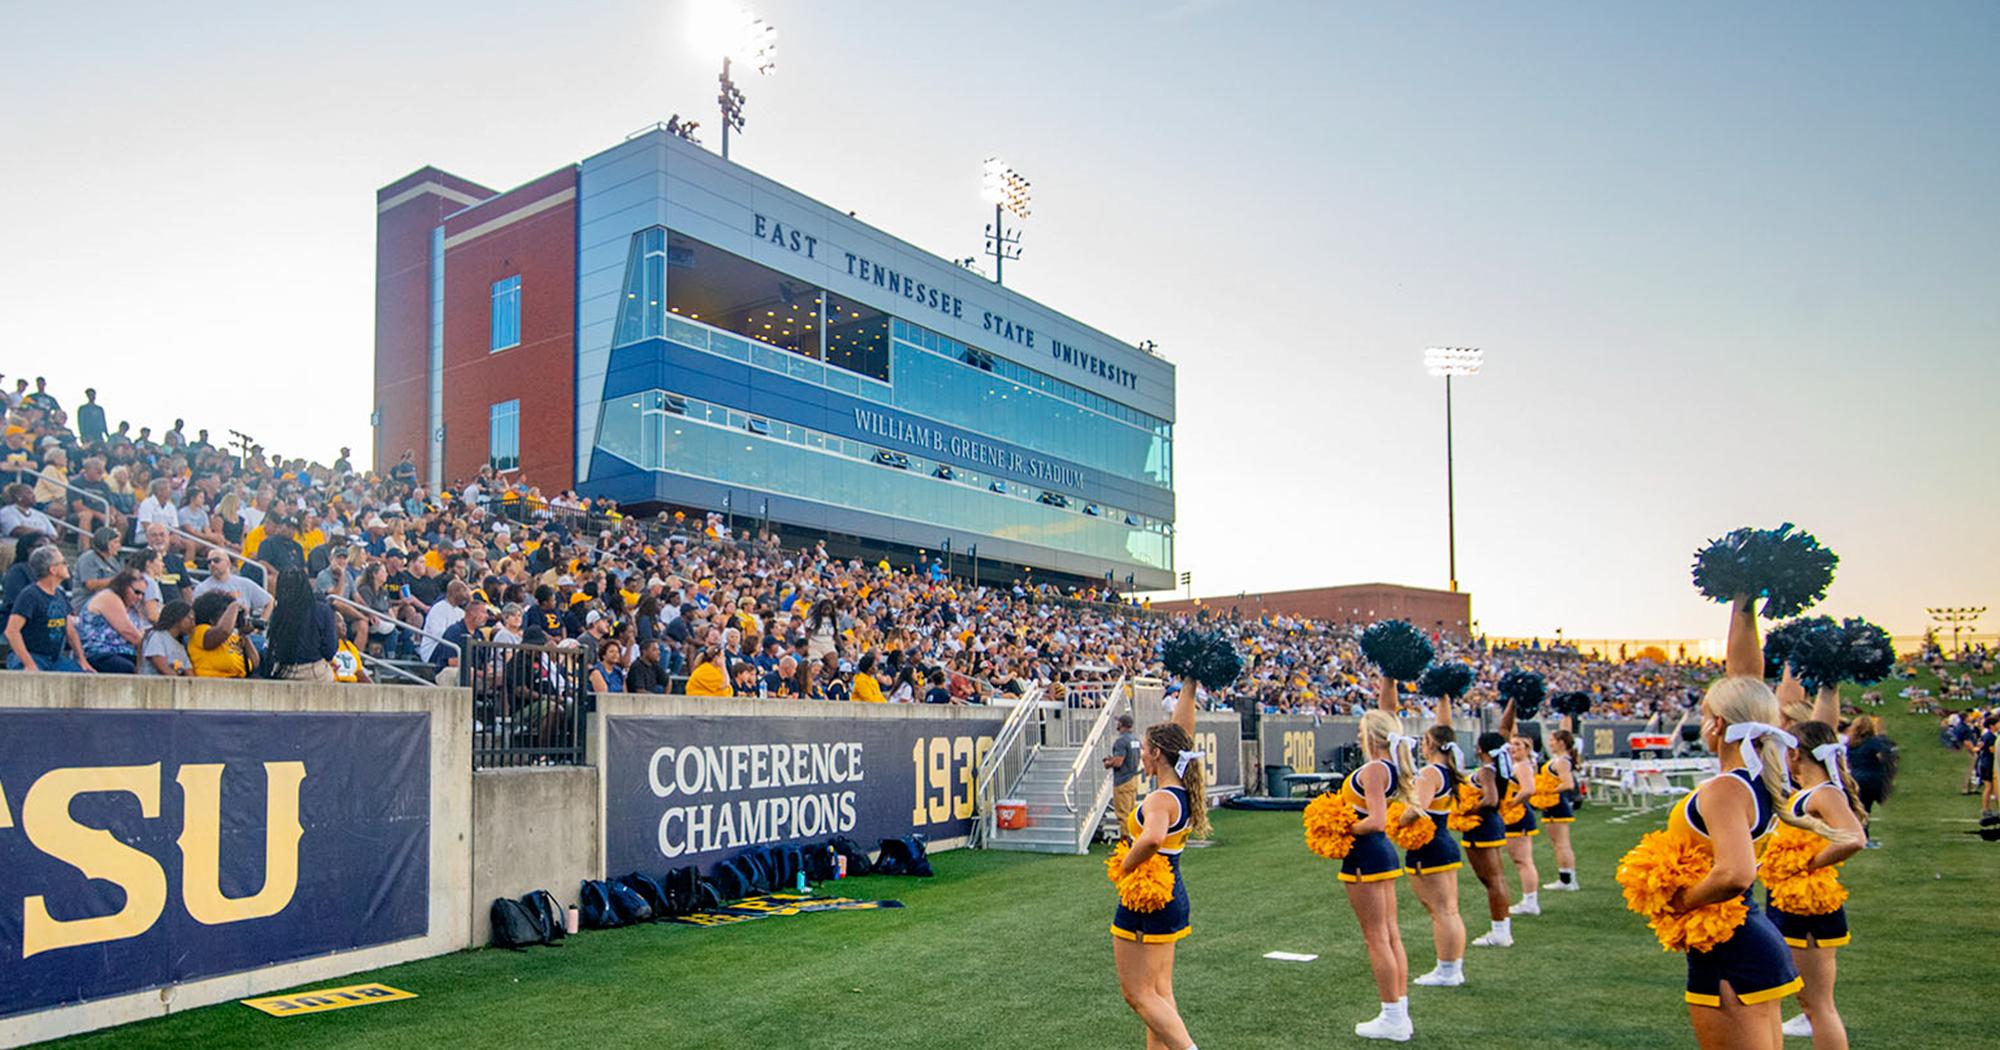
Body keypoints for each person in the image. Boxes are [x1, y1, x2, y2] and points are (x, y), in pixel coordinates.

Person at [1664, 595, 1808, 1049]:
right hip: (1746, 939)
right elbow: (1746, 682)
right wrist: (1742, 605)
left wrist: (1679, 902)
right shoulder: (1756, 779)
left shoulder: (1726, 789)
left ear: (1718, 724)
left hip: (1730, 945)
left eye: (1705, 715)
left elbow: (1735, 873)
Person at [1111, 677, 1205, 1050]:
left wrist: (1125, 867)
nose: (1142, 755)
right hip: (1171, 891)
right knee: (1160, 992)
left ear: (1157, 754)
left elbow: (1151, 839)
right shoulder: (1181, 791)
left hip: (1148, 895)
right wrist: (1189, 685)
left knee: (1137, 993)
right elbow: (1182, 731)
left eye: (1146, 749)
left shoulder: (1160, 799)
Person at [1770, 720, 1867, 1047]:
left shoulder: (1824, 793)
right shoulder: (1809, 793)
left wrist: (1805, 864)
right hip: (1792, 902)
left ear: (1796, 754)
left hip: (1809, 905)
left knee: (1818, 1006)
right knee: (1809, 1003)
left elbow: (1855, 838)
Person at [1339, 701, 1419, 1041]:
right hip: (1381, 854)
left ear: (1372, 736)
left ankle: (1392, 1017)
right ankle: (1399, 1013)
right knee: (1390, 935)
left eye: (1361, 732)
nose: (1359, 737)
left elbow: (1376, 820)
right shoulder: (1390, 767)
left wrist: (1341, 829)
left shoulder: (1374, 769)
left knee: (1377, 937)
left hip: (1366, 855)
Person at [1406, 722, 1469, 988]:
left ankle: (1447, 971)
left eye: (1424, 740)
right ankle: (1453, 968)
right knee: (1449, 911)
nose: (1421, 745)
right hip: (1443, 844)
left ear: (1432, 744)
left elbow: (1417, 808)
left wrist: (1396, 820)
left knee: (1441, 912)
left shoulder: (1430, 772)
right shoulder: (1447, 771)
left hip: (1429, 847)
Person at [1465, 730, 1516, 948]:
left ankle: (1500, 932)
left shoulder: (1487, 771)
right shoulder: (1497, 769)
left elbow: (1491, 799)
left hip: (1482, 825)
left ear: (1481, 749)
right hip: (1491, 824)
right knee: (1497, 879)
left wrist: (1467, 810)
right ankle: (1502, 929)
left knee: (1492, 881)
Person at [4, 545, 89, 672]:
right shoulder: (30, 595)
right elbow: (11, 631)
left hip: (54, 659)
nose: (67, 566)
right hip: (31, 656)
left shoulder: (60, 594)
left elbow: (70, 631)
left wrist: (82, 660)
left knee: (84, 677)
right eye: (63, 562)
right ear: (53, 570)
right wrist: (29, 664)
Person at [264, 568, 340, 681]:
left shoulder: (279, 611)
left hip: (284, 672)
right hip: (315, 672)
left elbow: (272, 647)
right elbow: (330, 650)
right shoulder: (322, 610)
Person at [76, 568, 146, 674]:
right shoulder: (109, 597)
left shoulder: (134, 608)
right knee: (127, 667)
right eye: (137, 592)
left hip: (125, 652)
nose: (139, 597)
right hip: (99, 652)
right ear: (124, 587)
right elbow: (131, 635)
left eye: (142, 594)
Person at [1539, 725, 1582, 892]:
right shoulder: (1559, 759)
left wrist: (1547, 791)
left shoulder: (1562, 761)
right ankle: (1566, 878)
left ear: (1561, 743)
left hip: (1557, 804)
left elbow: (1568, 784)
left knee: (1561, 844)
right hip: (1553, 804)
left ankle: (1568, 880)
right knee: (1558, 843)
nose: (1550, 743)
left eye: (1552, 740)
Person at [188, 590, 258, 679]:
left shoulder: (233, 636)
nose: (233, 618)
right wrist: (235, 605)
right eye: (228, 614)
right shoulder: (200, 632)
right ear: (212, 619)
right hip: (212, 682)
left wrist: (244, 635)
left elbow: (254, 662)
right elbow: (223, 631)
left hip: (238, 681)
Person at [193, 550, 273, 618]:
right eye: (209, 562)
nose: (212, 564)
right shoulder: (202, 588)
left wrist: (261, 623)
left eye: (216, 560)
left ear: (228, 563)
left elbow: (270, 601)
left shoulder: (244, 583)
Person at [1104, 713, 1144, 830]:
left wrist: (1108, 763)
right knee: (1131, 813)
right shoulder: (1135, 740)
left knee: (1123, 815)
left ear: (1121, 724)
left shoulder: (1121, 741)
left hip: (1122, 781)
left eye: (1118, 722)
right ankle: (1133, 837)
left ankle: (1125, 840)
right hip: (1133, 780)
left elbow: (1118, 762)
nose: (1116, 724)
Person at [138, 599, 195, 676]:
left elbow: (189, 671)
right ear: (178, 617)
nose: (193, 624)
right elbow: (162, 667)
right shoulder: (158, 636)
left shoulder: (180, 646)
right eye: (190, 618)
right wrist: (179, 682)